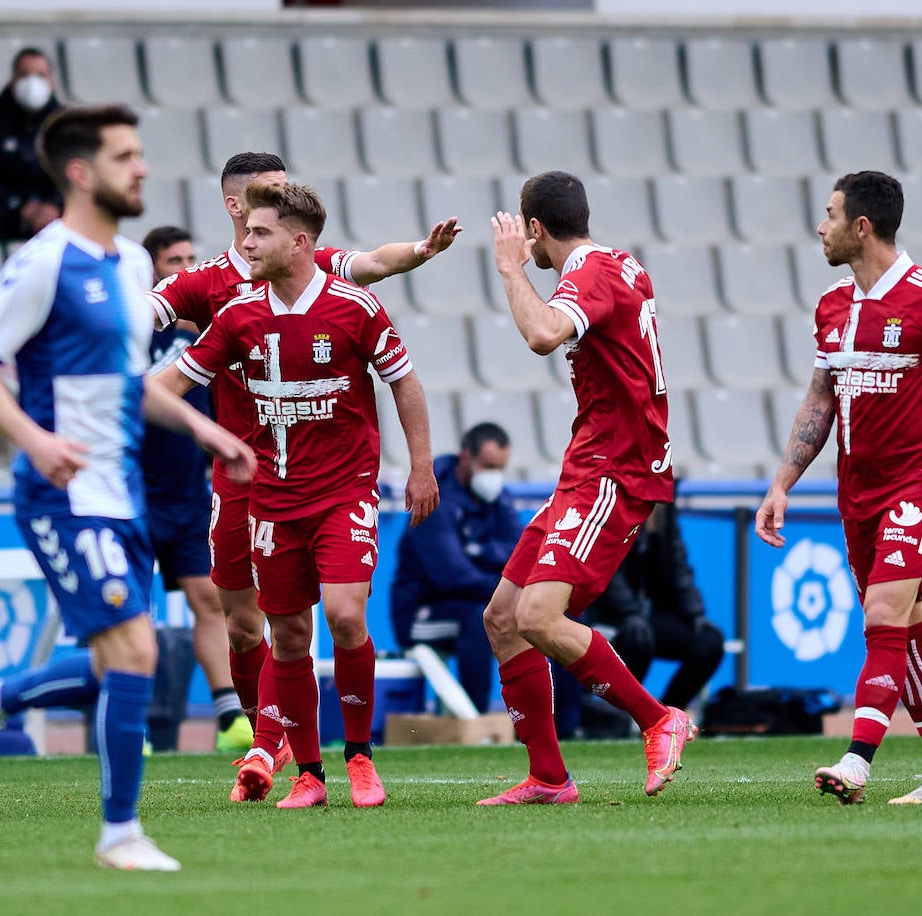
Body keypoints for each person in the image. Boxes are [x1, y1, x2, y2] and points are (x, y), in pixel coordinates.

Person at [0, 104, 254, 871]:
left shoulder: (130, 269)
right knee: (134, 648)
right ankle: (121, 835)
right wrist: (36, 440)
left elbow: (131, 384)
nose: (142, 168)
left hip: (124, 495)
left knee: (114, 661)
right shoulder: (46, 261)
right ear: (81, 172)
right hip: (61, 493)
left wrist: (207, 431)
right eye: (126, 157)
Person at [148, 151, 461, 801]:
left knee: (341, 615)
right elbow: (152, 337)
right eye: (268, 200)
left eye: (283, 202)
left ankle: (315, 751)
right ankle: (286, 748)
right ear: (237, 206)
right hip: (249, 482)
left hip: (337, 484)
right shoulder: (215, 292)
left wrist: (420, 252)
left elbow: (375, 272)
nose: (264, 226)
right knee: (249, 625)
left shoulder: (333, 283)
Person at [756, 171, 922, 805]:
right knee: (909, 631)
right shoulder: (831, 306)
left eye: (829, 215)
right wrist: (781, 484)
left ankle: (856, 762)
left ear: (861, 226)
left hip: (918, 484)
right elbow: (819, 401)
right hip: (857, 493)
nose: (820, 227)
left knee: (882, 616)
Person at [479, 171, 695, 806]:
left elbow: (543, 334)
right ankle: (549, 777)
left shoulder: (590, 271)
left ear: (535, 229)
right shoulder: (620, 264)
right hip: (590, 465)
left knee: (538, 616)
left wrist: (509, 268)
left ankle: (658, 719)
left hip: (615, 469)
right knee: (502, 619)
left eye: (527, 236)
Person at [140, 225, 250, 752]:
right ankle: (133, 720)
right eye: (173, 261)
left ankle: (229, 716)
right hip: (133, 491)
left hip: (187, 493)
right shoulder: (134, 333)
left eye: (190, 258)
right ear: (152, 271)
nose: (185, 268)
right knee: (132, 611)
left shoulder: (210, 331)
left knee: (208, 598)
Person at [552, 501, 726, 739]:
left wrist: (695, 614)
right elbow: (605, 570)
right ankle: (625, 718)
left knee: (709, 642)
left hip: (648, 615)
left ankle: (666, 718)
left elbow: (678, 565)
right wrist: (630, 612)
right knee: (638, 638)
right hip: (610, 616)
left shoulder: (663, 510)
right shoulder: (611, 503)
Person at [389, 422, 522, 712]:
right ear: (465, 458)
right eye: (488, 466)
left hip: (473, 600)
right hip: (420, 615)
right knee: (479, 618)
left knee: (539, 614)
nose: (494, 476)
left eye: (500, 468)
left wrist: (480, 551)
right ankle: (477, 719)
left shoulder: (499, 498)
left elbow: (518, 551)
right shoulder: (434, 498)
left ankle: (563, 723)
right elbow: (452, 575)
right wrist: (503, 585)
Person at [0, 47, 64, 239]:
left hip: (54, 219)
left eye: (40, 75)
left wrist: (53, 205)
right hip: (2, 218)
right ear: (12, 79)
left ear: (51, 81)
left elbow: (74, 173)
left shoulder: (63, 122)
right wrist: (18, 205)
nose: (32, 83)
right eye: (24, 75)